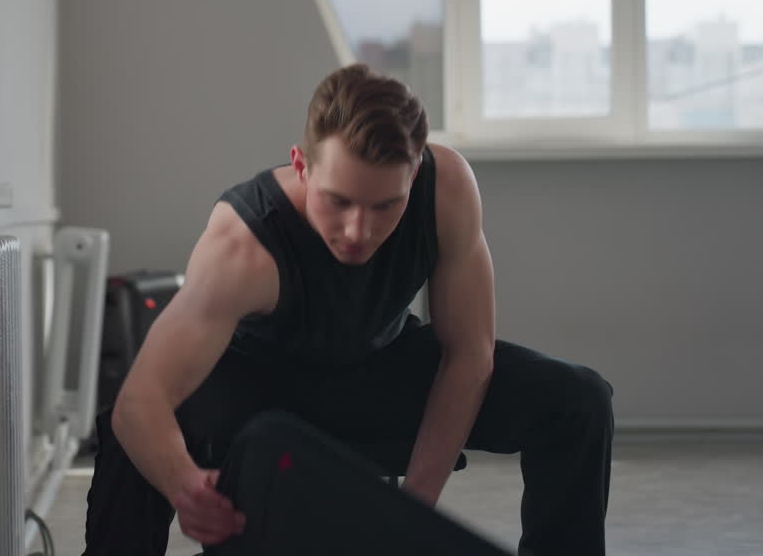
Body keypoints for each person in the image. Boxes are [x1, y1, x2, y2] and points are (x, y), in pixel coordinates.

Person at [83, 64, 614, 556]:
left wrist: (409, 511)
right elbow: (140, 401)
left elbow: (468, 356)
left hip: (377, 367)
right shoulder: (244, 247)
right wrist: (185, 485)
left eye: (386, 205)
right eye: (339, 201)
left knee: (576, 401)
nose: (359, 231)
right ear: (302, 165)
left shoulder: (445, 188)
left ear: (415, 171)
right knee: (129, 436)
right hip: (257, 390)